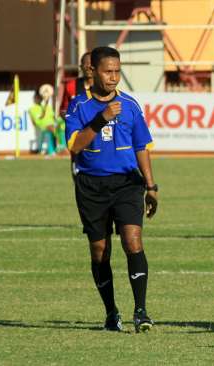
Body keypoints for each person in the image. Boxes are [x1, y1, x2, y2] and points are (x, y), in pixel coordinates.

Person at [65, 46, 158, 333]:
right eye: (108, 71)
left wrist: (151, 186)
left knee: (133, 242)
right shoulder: (78, 106)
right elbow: (74, 147)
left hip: (127, 184)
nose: (114, 77)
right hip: (91, 186)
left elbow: (142, 146)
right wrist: (101, 118)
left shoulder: (130, 105)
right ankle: (111, 313)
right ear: (92, 71)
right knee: (100, 250)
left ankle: (141, 311)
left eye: (118, 71)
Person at [60, 52, 93, 118]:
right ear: (81, 67)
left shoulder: (104, 86)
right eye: (85, 63)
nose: (89, 66)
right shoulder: (71, 85)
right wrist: (72, 121)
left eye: (92, 64)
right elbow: (63, 110)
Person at [28, 88, 56, 156]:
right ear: (34, 98)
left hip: (51, 125)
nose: (38, 99)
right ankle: (54, 149)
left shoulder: (48, 107)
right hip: (41, 125)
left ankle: (56, 148)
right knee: (51, 129)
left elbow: (53, 117)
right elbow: (38, 119)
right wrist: (46, 104)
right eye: (37, 98)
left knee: (61, 127)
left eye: (40, 98)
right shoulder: (32, 109)